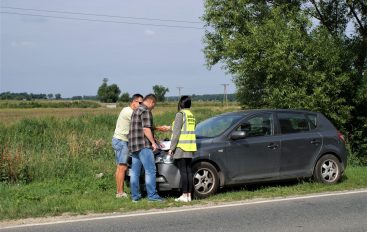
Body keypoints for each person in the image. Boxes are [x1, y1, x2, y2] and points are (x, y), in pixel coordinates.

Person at [128, 94, 164, 202]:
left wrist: (156, 140)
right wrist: (153, 143)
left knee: (135, 172)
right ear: (151, 102)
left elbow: (139, 129)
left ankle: (135, 196)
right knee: (150, 170)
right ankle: (152, 196)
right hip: (144, 145)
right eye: (154, 105)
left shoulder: (136, 110)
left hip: (134, 146)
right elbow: (146, 129)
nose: (154, 107)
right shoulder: (146, 111)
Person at [112, 93, 143, 198]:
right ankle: (120, 193)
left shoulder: (127, 110)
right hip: (121, 141)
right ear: (134, 102)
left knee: (120, 167)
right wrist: (159, 128)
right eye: (140, 103)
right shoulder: (129, 112)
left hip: (119, 141)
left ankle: (119, 191)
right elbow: (141, 125)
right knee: (123, 167)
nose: (141, 105)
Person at [168, 96, 197, 202]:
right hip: (191, 146)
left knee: (183, 172)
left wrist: (171, 148)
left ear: (180, 104)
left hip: (182, 146)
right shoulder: (191, 115)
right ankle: (189, 195)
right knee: (189, 171)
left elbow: (176, 133)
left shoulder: (180, 114)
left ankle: (184, 195)